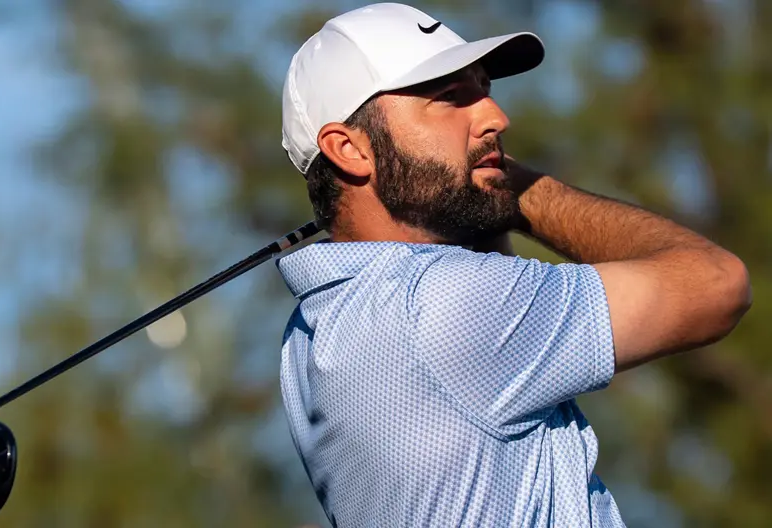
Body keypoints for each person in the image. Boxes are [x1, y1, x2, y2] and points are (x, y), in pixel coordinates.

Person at [274, 3, 752, 527]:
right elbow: (716, 283)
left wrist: (479, 185)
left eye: (484, 89)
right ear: (349, 149)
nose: (496, 119)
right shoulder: (441, 301)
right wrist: (521, 189)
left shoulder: (308, 335)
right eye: (449, 97)